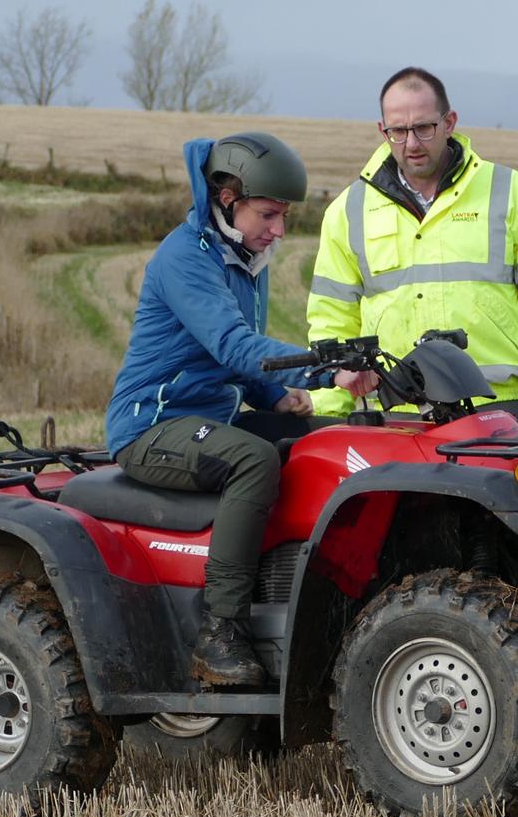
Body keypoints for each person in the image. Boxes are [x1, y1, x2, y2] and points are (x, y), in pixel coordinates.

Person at [105, 131, 376, 687]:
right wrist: (324, 370)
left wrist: (279, 397)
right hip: (152, 425)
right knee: (255, 460)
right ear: (229, 200)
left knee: (323, 438)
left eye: (284, 218)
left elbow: (231, 365)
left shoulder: (246, 257)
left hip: (210, 417)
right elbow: (232, 345)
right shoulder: (185, 257)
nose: (279, 230)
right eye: (270, 215)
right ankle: (220, 629)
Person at [306, 66, 518, 432]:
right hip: (397, 416)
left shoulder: (511, 193)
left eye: (424, 128)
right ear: (382, 131)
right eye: (398, 131)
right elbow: (332, 319)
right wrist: (328, 416)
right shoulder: (349, 210)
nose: (411, 143)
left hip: (498, 410)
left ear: (450, 122)